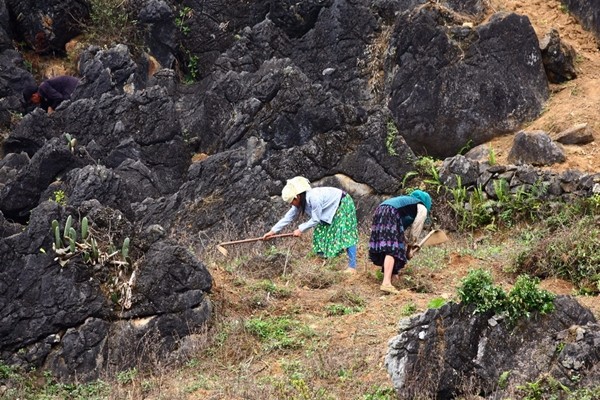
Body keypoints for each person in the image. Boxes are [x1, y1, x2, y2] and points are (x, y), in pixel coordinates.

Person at [263, 176, 359, 273]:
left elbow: (315, 219)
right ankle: (326, 262)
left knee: (346, 235)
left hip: (342, 203)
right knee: (321, 234)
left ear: (297, 197)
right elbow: (287, 218)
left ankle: (352, 267)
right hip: (330, 209)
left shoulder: (314, 198)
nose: (292, 204)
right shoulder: (300, 202)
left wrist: (300, 229)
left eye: (292, 201)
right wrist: (272, 231)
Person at [368, 190, 432, 294]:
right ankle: (386, 283)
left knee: (393, 246)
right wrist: (411, 246)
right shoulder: (421, 207)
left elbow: (400, 235)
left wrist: (407, 250)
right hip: (390, 212)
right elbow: (416, 229)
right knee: (392, 249)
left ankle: (393, 276)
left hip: (380, 210)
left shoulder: (406, 205)